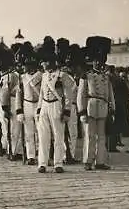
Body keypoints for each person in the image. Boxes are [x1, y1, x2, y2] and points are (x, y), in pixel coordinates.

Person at [35, 37, 75, 173]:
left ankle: (58, 163)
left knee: (58, 136)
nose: (42, 64)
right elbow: (41, 93)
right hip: (45, 106)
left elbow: (68, 95)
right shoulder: (45, 76)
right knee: (43, 136)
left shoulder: (62, 75)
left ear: (51, 62)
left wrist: (67, 110)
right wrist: (39, 108)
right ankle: (42, 163)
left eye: (44, 61)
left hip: (57, 105)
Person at [77, 36, 115, 171]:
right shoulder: (86, 76)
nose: (98, 64)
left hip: (103, 108)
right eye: (96, 61)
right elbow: (81, 95)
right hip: (90, 107)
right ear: (92, 62)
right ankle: (88, 161)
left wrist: (112, 109)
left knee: (102, 136)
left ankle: (100, 161)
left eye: (100, 61)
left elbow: (110, 94)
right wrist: (81, 111)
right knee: (90, 135)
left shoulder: (106, 76)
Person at [15, 42, 42, 165]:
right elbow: (18, 95)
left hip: (38, 104)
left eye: (28, 65)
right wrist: (19, 110)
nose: (25, 67)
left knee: (40, 131)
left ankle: (40, 153)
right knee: (28, 132)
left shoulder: (41, 76)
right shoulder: (22, 78)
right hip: (26, 105)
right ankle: (31, 156)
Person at [55, 39, 79, 164]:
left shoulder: (69, 69)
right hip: (62, 103)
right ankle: (65, 155)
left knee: (72, 132)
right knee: (62, 131)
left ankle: (71, 154)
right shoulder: (60, 71)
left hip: (72, 103)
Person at [0, 47, 23, 161]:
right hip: (11, 101)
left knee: (10, 128)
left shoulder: (7, 76)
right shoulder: (12, 76)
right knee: (14, 128)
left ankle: (11, 149)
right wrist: (6, 108)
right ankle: (12, 151)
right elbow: (5, 92)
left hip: (8, 102)